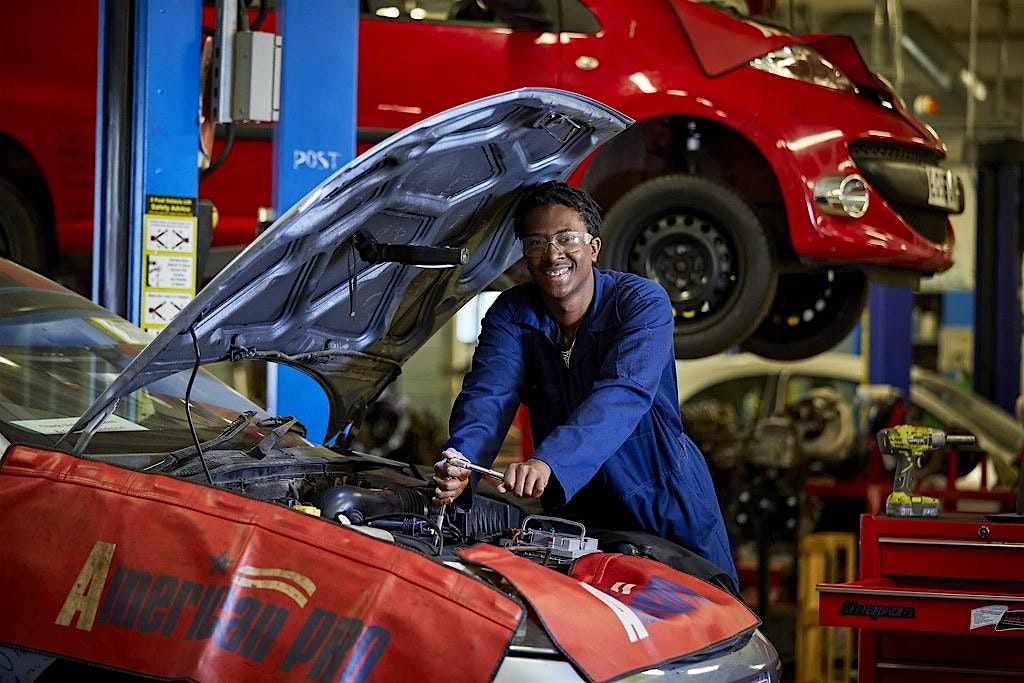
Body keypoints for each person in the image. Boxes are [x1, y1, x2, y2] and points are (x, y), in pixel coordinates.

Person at [432, 181, 737, 587]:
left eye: (566, 238)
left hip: (662, 499)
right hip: (578, 512)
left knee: (704, 616)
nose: (552, 254)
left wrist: (549, 462)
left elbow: (623, 392)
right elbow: (488, 395)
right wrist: (461, 460)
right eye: (536, 242)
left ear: (593, 247)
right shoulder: (511, 314)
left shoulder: (641, 303)